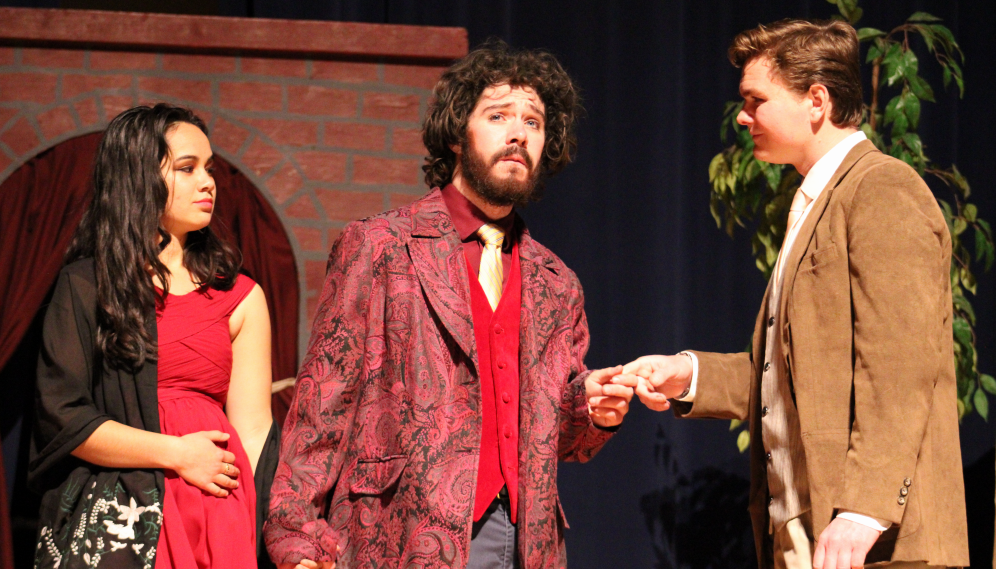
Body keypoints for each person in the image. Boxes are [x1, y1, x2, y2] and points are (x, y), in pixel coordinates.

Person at [265, 41, 636, 569]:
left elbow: (560, 440)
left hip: (527, 542)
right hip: (400, 532)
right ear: (458, 134)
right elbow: (322, 402)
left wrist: (593, 408)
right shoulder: (381, 247)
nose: (518, 133)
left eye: (533, 122)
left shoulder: (558, 283)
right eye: (499, 116)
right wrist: (296, 534)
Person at [622, 19, 969, 569]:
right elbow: (787, 374)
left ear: (816, 101)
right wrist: (689, 375)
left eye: (755, 100)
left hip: (880, 544)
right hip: (805, 531)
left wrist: (864, 509)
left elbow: (900, 363)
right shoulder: (812, 204)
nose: (742, 116)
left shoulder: (882, 188)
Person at [29, 104, 274, 568]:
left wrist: (272, 530)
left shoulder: (240, 296)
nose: (208, 182)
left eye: (209, 168)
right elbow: (62, 416)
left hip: (217, 506)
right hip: (121, 512)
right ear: (138, 177)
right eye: (187, 168)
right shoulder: (88, 285)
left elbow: (255, 430)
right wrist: (177, 454)